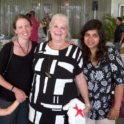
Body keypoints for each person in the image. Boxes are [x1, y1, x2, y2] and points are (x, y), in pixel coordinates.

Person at [28, 13, 90, 124]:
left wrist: (87, 103)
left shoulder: (74, 52)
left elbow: (80, 79)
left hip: (63, 110)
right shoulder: (39, 48)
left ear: (67, 31)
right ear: (50, 28)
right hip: (37, 108)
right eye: (55, 26)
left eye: (63, 28)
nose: (58, 30)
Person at [79, 19, 124, 124]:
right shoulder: (80, 55)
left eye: (95, 35)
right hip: (85, 108)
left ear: (100, 37)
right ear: (83, 37)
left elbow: (120, 82)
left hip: (106, 109)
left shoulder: (110, 53)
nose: (90, 39)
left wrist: (116, 108)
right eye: (87, 35)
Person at [0, 14, 37, 124]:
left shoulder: (37, 48)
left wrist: (67, 43)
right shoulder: (8, 49)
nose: (24, 30)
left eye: (26, 26)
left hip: (27, 100)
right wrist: (15, 90)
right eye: (20, 27)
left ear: (31, 27)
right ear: (15, 30)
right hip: (7, 99)